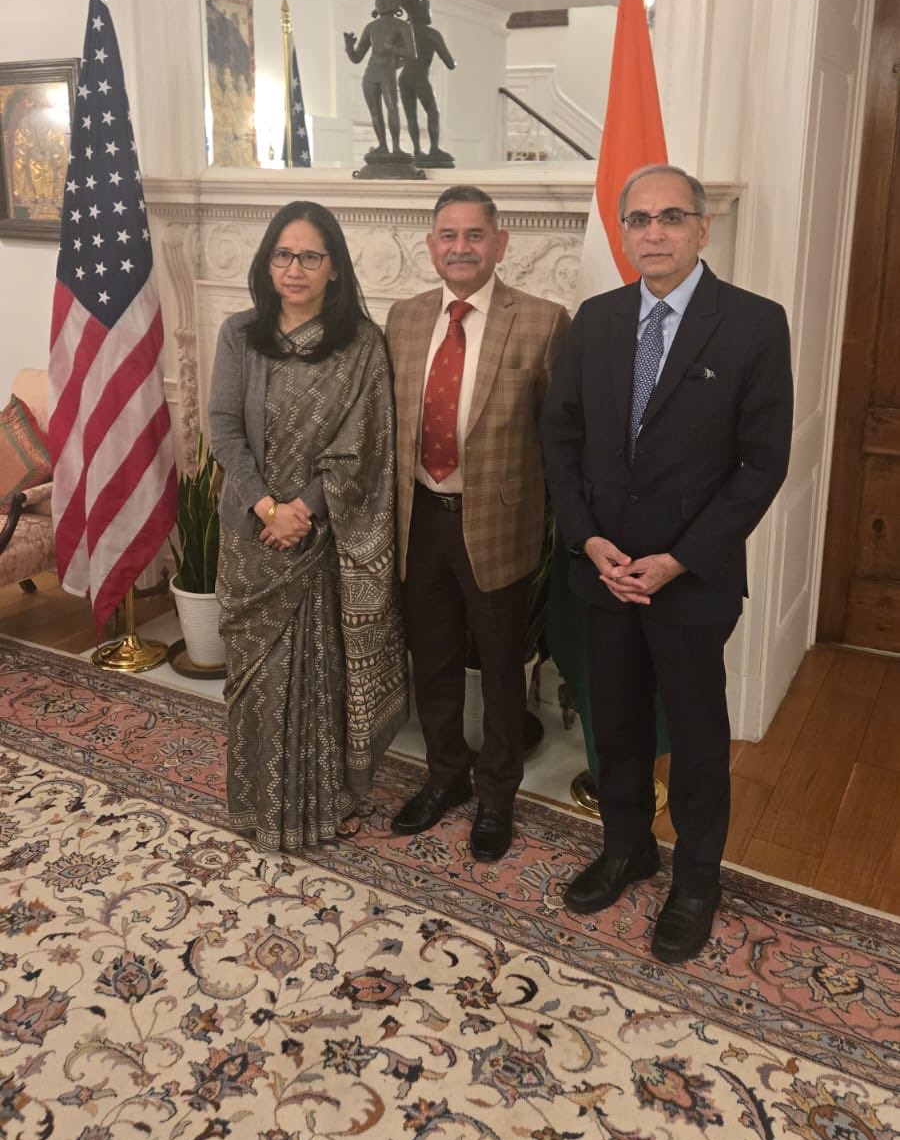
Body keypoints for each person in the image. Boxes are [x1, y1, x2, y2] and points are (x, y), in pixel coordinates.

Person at [541, 165, 793, 963]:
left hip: (690, 580)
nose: (653, 233)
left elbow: (762, 464)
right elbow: (561, 438)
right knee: (615, 721)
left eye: (671, 218)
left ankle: (696, 878)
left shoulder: (754, 323)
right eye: (639, 219)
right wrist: (587, 539)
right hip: (605, 572)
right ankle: (626, 847)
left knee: (695, 733)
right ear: (623, 231)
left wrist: (681, 558)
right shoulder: (598, 318)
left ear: (702, 228)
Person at [208, 200, 408, 851]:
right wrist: (268, 507)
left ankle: (328, 802)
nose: (294, 269)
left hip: (322, 537)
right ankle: (258, 803)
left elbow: (366, 444)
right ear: (268, 263)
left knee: (323, 676)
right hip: (252, 537)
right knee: (257, 680)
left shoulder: (361, 345)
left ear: (335, 268)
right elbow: (224, 429)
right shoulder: (239, 334)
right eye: (283, 255)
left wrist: (306, 510)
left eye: (310, 257)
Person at [386, 185, 569, 862]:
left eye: (473, 235)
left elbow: (560, 435)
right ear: (430, 245)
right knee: (432, 657)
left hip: (497, 526)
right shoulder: (404, 318)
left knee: (498, 667)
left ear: (500, 243)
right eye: (448, 235)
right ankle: (445, 775)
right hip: (419, 518)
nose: (460, 248)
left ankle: (496, 794)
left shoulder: (544, 321)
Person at [343, 0, 416, 162]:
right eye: (378, 0)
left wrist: (393, 50)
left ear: (395, 3)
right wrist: (349, 47)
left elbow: (411, 54)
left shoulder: (402, 26)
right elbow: (357, 58)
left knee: (392, 108)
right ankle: (382, 145)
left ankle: (396, 147)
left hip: (387, 73)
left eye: (386, 0)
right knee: (375, 113)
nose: (381, 3)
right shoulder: (371, 27)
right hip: (371, 74)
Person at [399, 0, 456, 167]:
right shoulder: (431, 33)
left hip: (404, 77)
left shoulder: (404, 32)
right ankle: (434, 149)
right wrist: (455, 62)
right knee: (433, 112)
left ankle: (417, 150)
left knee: (411, 116)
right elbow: (449, 63)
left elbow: (398, 60)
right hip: (420, 77)